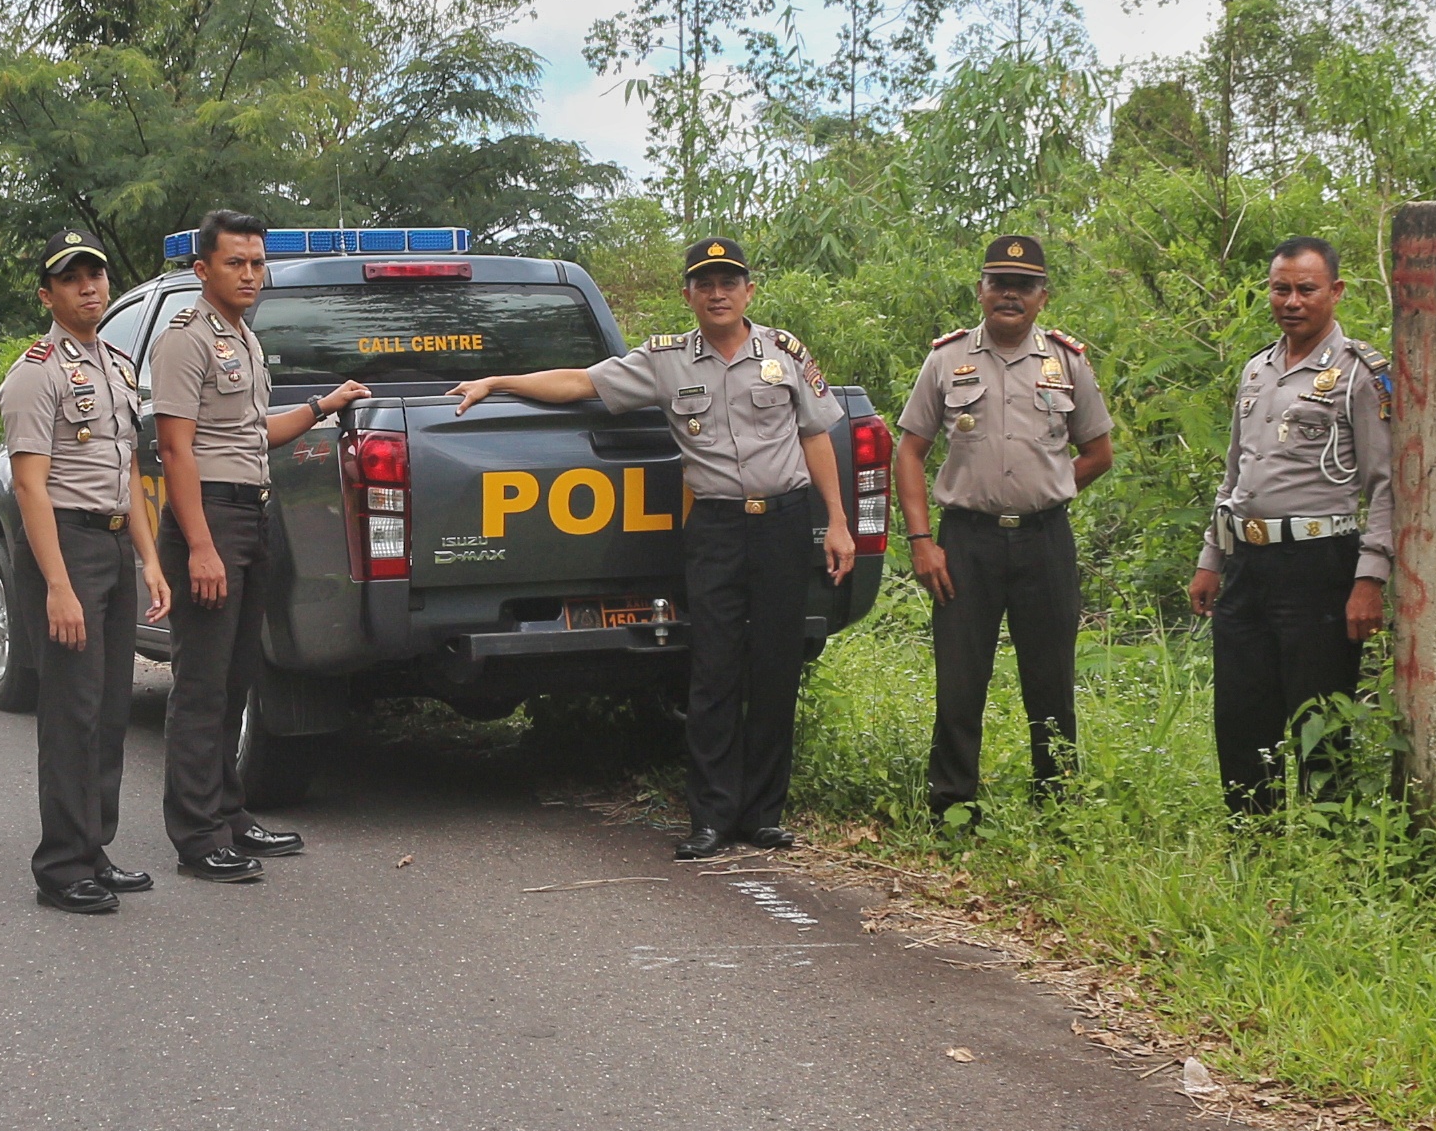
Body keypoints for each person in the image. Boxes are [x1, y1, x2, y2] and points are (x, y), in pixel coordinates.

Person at [449, 237, 854, 860]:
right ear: (688, 294)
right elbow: (580, 382)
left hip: (783, 521)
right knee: (713, 670)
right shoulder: (666, 361)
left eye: (729, 281)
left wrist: (837, 522)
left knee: (775, 667)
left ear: (749, 290)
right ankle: (712, 818)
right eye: (705, 283)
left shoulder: (784, 352)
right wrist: (499, 381)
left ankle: (764, 814)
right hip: (715, 526)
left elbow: (815, 435)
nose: (717, 293)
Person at [149, 209, 370, 884]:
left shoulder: (241, 336)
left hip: (250, 512)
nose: (249, 273)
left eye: (255, 261)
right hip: (208, 519)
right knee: (200, 685)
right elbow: (174, 449)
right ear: (202, 270)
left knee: (237, 678)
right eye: (234, 262)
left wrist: (323, 405)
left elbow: (249, 434)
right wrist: (200, 546)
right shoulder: (184, 340)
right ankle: (195, 835)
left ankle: (228, 811)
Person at [892, 234, 1115, 819]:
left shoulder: (1068, 362)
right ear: (981, 291)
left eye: (1024, 286)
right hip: (965, 543)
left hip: (1046, 541)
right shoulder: (946, 360)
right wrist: (921, 542)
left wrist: (1050, 487)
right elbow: (909, 451)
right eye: (1000, 283)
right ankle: (952, 808)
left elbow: (1098, 451)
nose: (1010, 295)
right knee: (960, 683)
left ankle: (1058, 806)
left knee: (1051, 682)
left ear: (1044, 297)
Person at [0, 230, 174, 916]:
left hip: (110, 546)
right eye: (72, 279)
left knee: (107, 710)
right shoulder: (35, 372)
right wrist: (58, 585)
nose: (89, 286)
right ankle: (61, 865)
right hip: (63, 546)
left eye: (95, 274)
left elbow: (127, 470)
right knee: (70, 712)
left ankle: (94, 847)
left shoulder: (119, 366)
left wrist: (150, 558)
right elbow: (31, 487)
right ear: (48, 294)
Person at [1187, 235, 1394, 811]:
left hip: (1321, 565)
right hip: (1248, 564)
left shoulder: (1360, 375)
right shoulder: (1257, 370)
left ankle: (1326, 847)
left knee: (1321, 717)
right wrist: (1211, 561)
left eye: (1307, 289)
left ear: (1335, 291)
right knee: (1241, 711)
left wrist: (1369, 579)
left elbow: (1386, 486)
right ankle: (1252, 837)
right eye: (1282, 289)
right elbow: (1235, 477)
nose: (1293, 301)